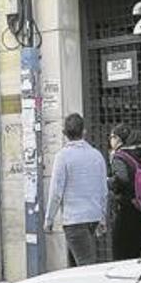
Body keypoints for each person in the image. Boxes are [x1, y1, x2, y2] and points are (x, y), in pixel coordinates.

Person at [45, 113, 108, 267]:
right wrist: (102, 216)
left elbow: (56, 191)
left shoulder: (63, 157)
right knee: (77, 265)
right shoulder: (96, 155)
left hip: (74, 218)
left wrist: (49, 219)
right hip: (93, 216)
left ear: (64, 133)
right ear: (84, 131)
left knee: (85, 266)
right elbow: (103, 190)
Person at [108, 124, 141, 260]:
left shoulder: (119, 157)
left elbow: (122, 178)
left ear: (118, 139)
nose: (110, 140)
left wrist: (108, 182)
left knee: (120, 254)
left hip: (127, 208)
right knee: (135, 252)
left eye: (112, 137)